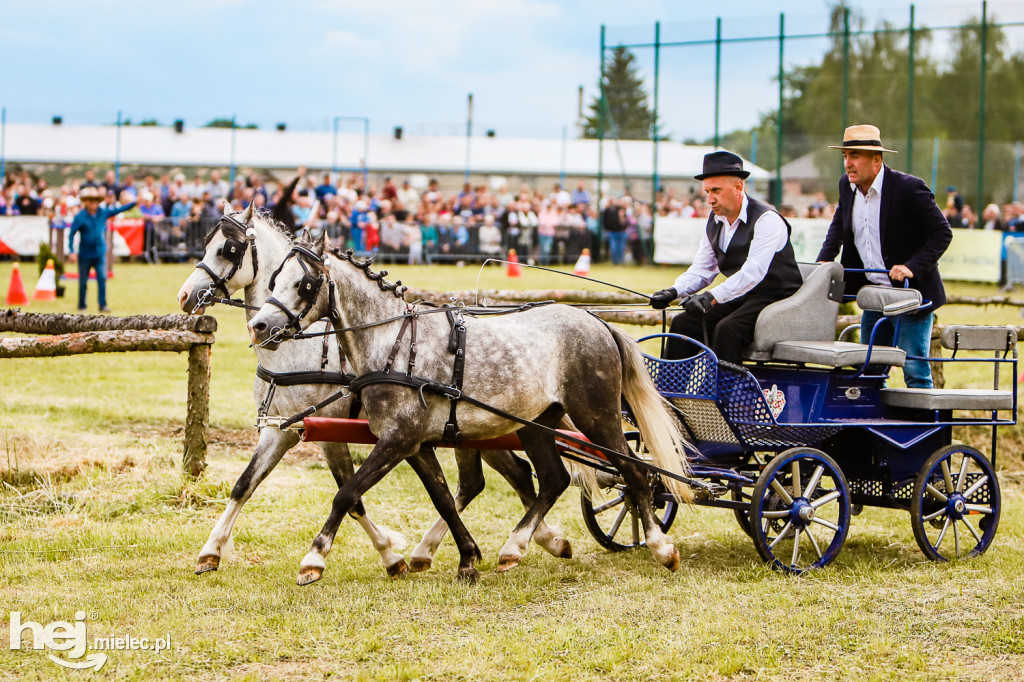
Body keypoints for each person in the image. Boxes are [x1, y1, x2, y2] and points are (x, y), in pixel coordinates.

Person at [816, 124, 952, 388]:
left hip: (911, 297)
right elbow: (839, 226)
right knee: (869, 369)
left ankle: (925, 428)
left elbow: (942, 232)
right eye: (845, 156)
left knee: (914, 368)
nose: (848, 163)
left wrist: (912, 267)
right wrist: (825, 259)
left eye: (854, 155)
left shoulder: (909, 188)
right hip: (874, 295)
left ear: (876, 159)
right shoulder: (847, 186)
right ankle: (872, 426)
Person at [650, 150, 802, 364]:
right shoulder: (715, 220)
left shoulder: (767, 219)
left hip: (776, 298)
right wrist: (674, 291)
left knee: (727, 329)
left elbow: (753, 272)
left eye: (716, 190)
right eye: (707, 191)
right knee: (683, 323)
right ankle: (669, 394)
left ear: (739, 186)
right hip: (743, 296)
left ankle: (726, 395)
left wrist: (710, 296)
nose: (710, 199)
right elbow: (703, 269)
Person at [67, 187, 137, 312]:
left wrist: (135, 203)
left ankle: (102, 304)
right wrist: (72, 251)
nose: (93, 203)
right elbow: (71, 234)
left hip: (99, 253)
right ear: (86, 202)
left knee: (102, 279)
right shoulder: (80, 217)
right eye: (90, 200)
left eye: (95, 200)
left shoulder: (103, 213)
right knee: (83, 281)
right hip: (84, 254)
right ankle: (82, 305)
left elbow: (119, 209)